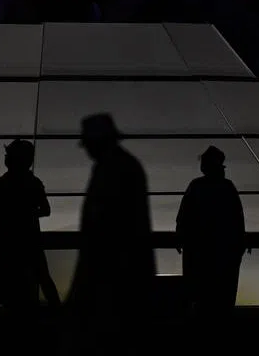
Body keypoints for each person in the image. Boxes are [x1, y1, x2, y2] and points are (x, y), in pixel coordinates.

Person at [68, 114, 155, 351]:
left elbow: (102, 230)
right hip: (124, 276)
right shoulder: (124, 166)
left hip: (113, 277)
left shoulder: (111, 170)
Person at [0, 139, 59, 313]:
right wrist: (26, 215)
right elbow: (46, 210)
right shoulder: (34, 184)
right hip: (30, 244)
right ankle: (59, 320)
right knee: (44, 280)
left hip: (2, 246)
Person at [176, 146, 247, 316]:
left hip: (199, 254)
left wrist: (181, 236)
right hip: (224, 256)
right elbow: (238, 221)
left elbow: (183, 216)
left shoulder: (196, 186)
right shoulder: (228, 188)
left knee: (201, 301)